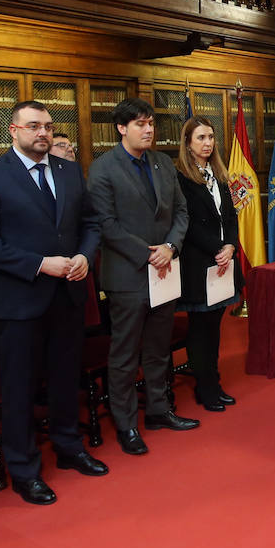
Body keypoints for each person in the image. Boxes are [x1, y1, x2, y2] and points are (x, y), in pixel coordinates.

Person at [0, 100, 105, 506]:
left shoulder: (68, 169)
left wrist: (83, 256)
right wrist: (41, 264)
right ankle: (24, 469)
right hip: (18, 299)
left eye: (47, 126)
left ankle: (68, 448)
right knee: (20, 386)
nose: (41, 133)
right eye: (32, 126)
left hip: (68, 294)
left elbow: (90, 223)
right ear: (12, 130)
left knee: (64, 378)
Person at [88, 97, 196, 456]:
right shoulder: (102, 168)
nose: (148, 129)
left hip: (165, 270)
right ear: (121, 128)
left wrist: (171, 247)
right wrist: (147, 253)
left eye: (151, 123)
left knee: (157, 349)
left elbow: (181, 210)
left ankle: (158, 410)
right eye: (140, 124)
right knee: (124, 354)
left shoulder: (163, 162)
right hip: (128, 275)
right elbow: (105, 225)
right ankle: (126, 424)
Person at [173, 117, 242, 412]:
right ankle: (205, 387)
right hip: (199, 263)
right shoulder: (181, 178)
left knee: (214, 327)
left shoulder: (218, 173)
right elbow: (187, 223)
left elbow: (230, 216)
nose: (207, 143)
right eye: (200, 138)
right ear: (188, 144)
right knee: (200, 328)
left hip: (223, 261)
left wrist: (230, 246)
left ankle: (214, 381)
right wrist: (218, 247)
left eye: (211, 137)